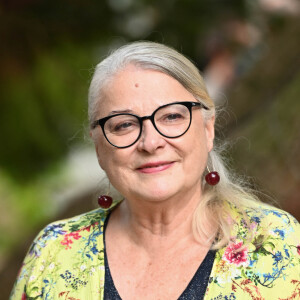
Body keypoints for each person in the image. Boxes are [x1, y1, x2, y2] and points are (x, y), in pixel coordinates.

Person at [10, 41, 299, 300]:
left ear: (208, 129)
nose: (151, 142)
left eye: (172, 116)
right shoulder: (54, 252)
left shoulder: (277, 243)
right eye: (123, 124)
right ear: (99, 148)